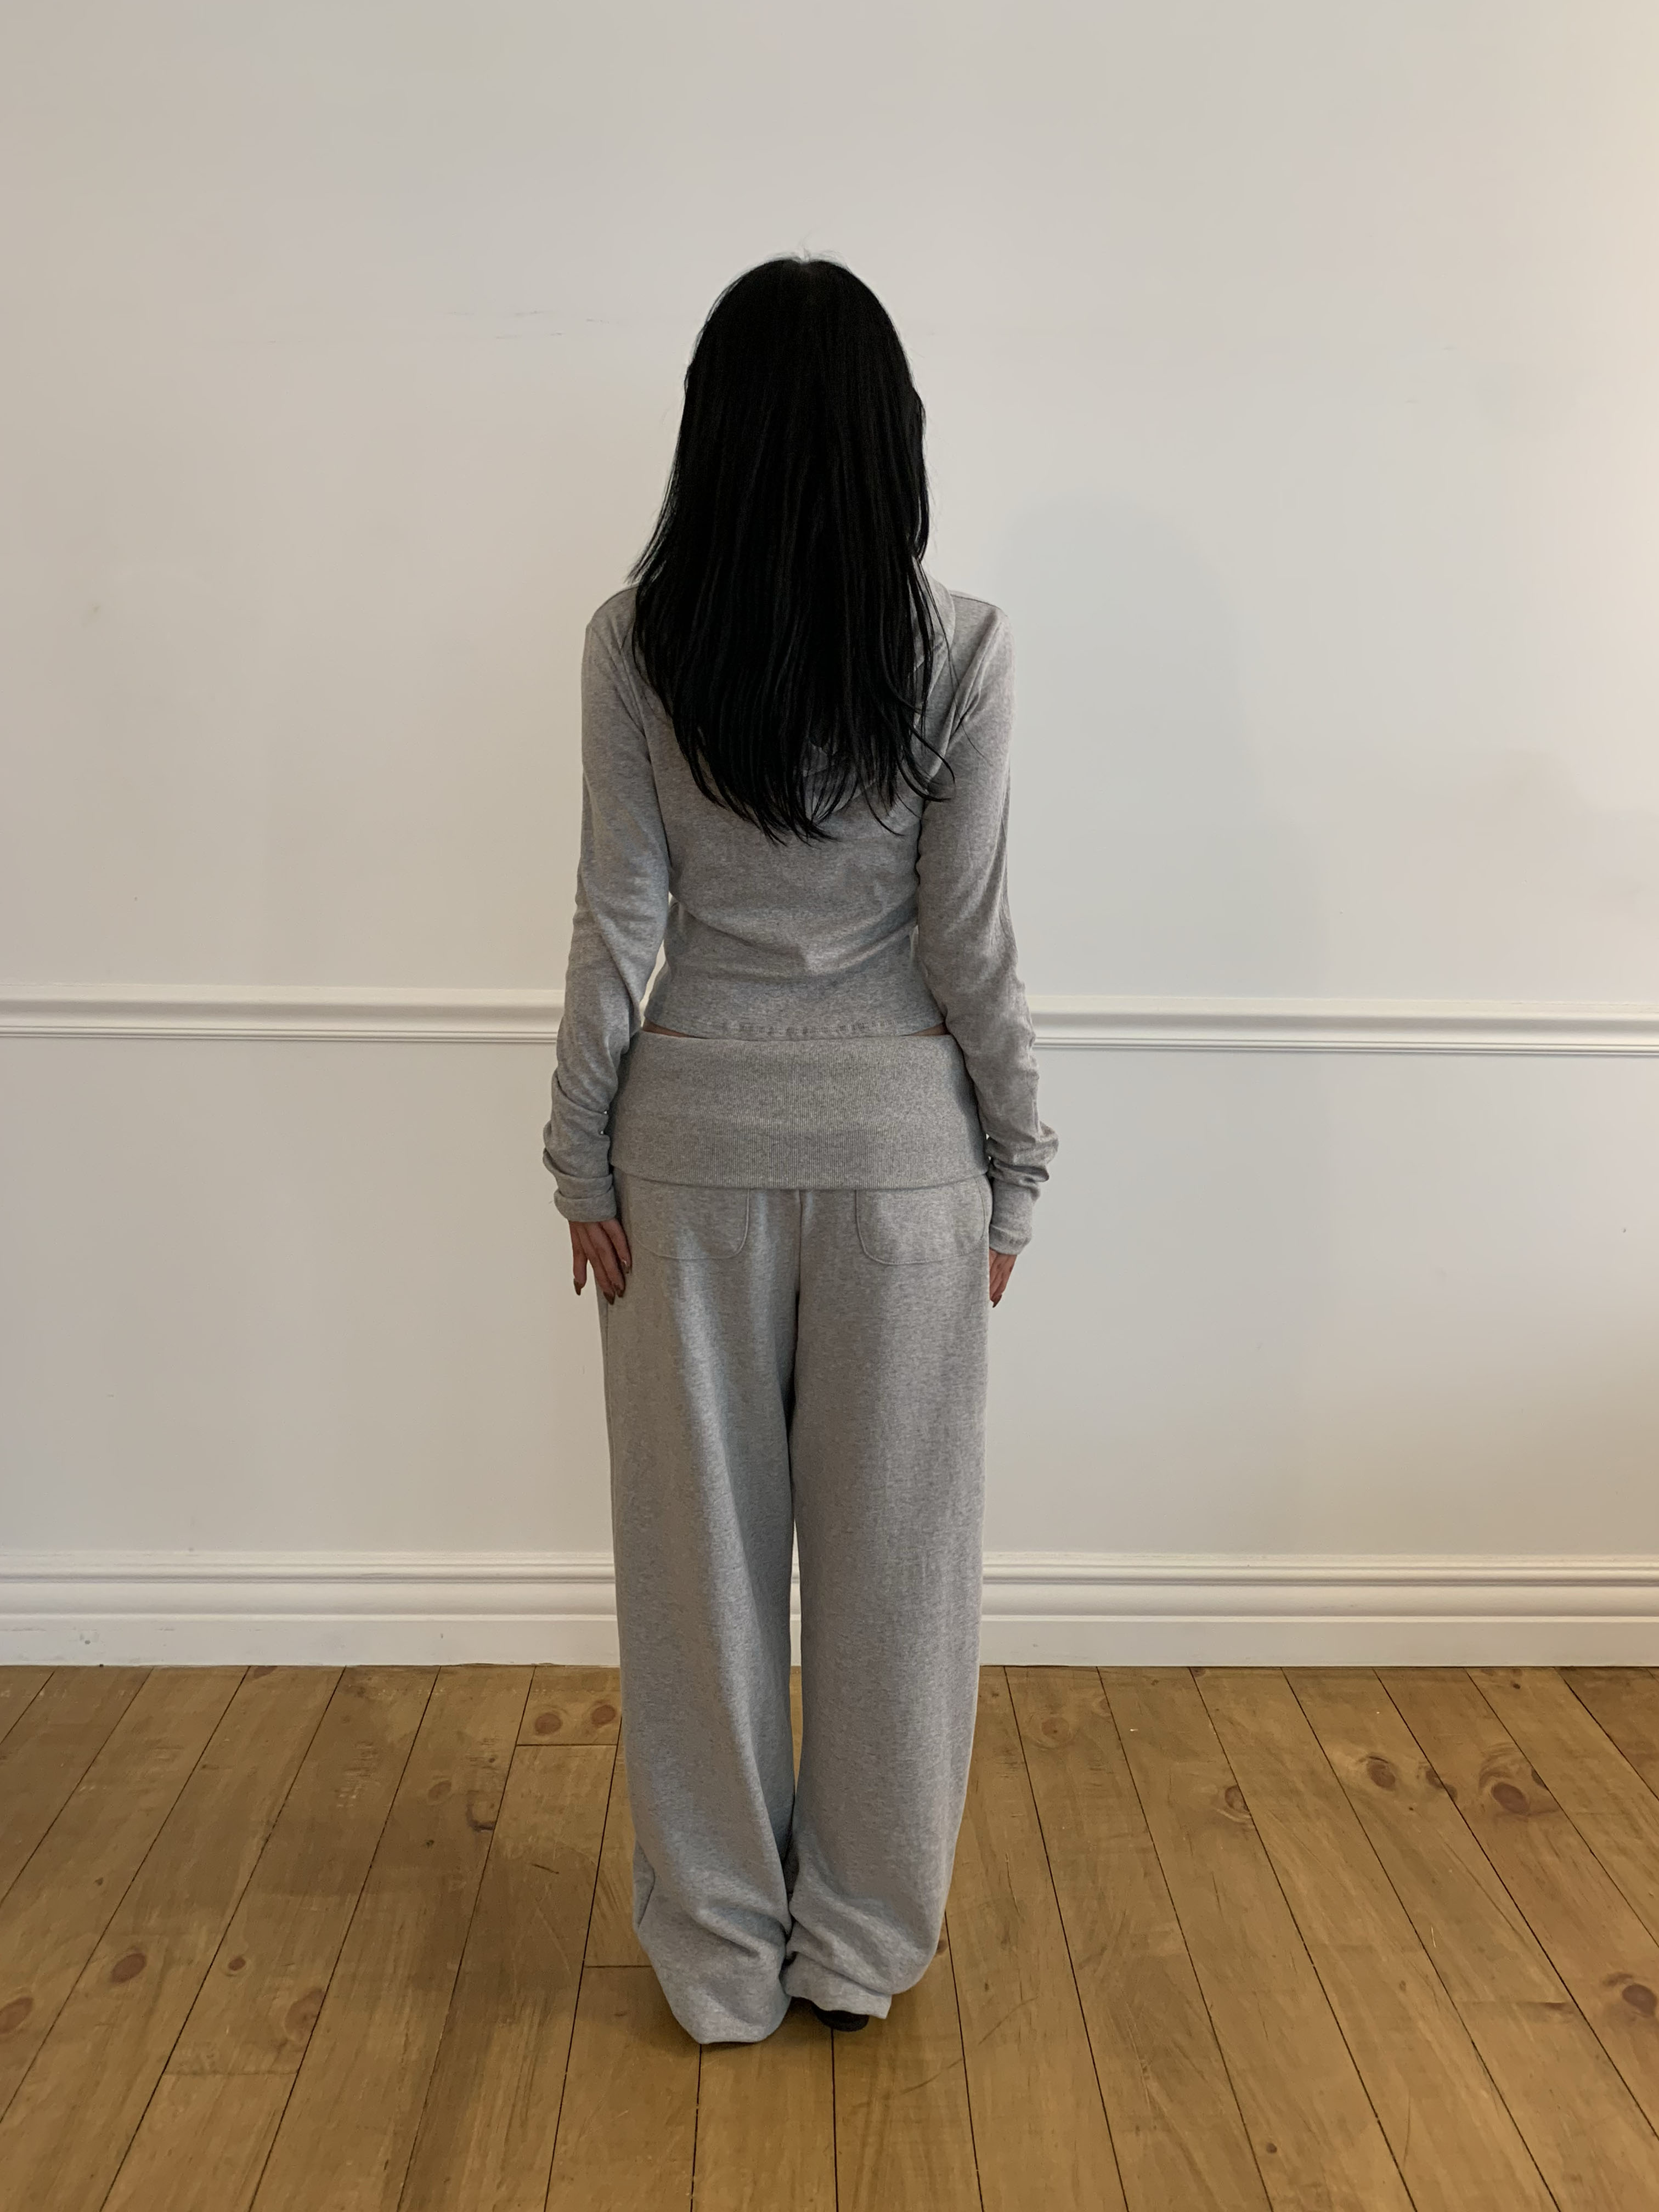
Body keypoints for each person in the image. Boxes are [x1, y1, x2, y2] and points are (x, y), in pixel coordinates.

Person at [541, 254, 1057, 2047]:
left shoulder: (636, 644)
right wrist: (1019, 1163)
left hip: (685, 1161)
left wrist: (580, 1158)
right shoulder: (962, 647)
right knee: (900, 1581)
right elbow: (969, 944)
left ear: (714, 434)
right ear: (891, 438)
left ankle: (717, 1962)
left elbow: (617, 922)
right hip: (904, 1167)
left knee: (695, 1584)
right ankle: (859, 1947)